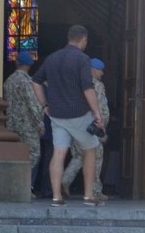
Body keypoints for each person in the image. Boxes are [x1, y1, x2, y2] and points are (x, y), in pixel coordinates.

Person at [31, 24, 105, 207]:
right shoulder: (82, 59)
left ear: (68, 37)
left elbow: (35, 81)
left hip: (56, 114)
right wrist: (96, 113)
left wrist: (44, 105)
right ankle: (88, 196)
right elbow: (88, 87)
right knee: (90, 150)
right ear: (84, 40)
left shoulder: (52, 59)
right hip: (78, 113)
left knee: (59, 152)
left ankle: (56, 197)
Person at [61, 57, 110, 202]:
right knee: (96, 157)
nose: (102, 73)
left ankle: (65, 179)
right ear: (93, 70)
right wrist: (102, 129)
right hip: (92, 127)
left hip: (76, 125)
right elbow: (100, 108)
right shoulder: (96, 85)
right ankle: (95, 191)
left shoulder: (76, 83)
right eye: (100, 70)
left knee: (78, 156)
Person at [3, 51, 44, 196]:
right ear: (30, 65)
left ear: (16, 63)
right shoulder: (27, 81)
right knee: (33, 154)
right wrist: (40, 121)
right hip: (27, 124)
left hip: (12, 123)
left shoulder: (9, 80)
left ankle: (12, 185)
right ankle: (23, 187)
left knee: (15, 154)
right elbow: (32, 103)